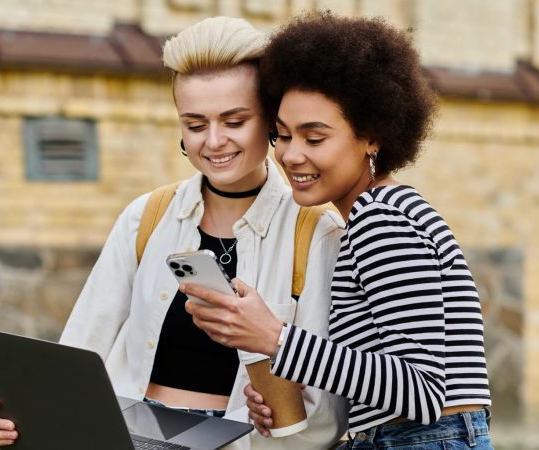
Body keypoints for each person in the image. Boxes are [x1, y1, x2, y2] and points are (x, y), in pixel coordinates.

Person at [0, 16, 347, 450]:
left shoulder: (317, 234)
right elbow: (78, 353)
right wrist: (11, 418)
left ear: (271, 122)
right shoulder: (146, 216)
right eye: (195, 125)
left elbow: (326, 415)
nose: (214, 142)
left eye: (234, 121)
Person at [183, 12, 493, 450]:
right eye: (282, 135)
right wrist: (283, 385)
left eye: (314, 137)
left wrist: (275, 339)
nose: (291, 155)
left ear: (372, 136)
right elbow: (381, 380)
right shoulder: (383, 212)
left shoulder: (382, 220)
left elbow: (420, 392)